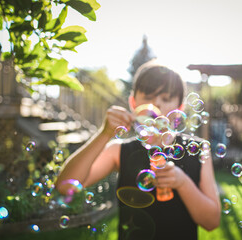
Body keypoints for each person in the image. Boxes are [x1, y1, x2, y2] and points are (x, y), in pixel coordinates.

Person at [56, 60, 221, 240]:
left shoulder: (197, 150)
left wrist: (182, 182)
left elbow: (212, 222)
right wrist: (104, 134)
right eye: (149, 97)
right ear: (133, 103)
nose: (157, 104)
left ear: (180, 107)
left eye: (166, 98)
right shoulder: (119, 151)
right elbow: (66, 184)